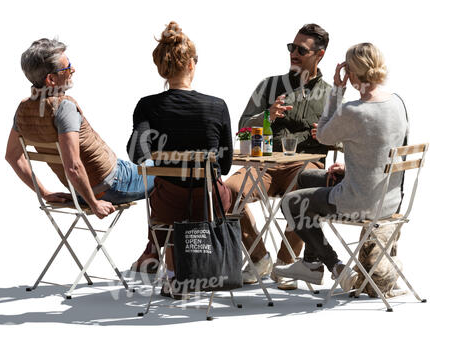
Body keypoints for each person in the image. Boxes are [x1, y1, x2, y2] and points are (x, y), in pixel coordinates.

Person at [273, 42, 408, 292]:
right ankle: (311, 263)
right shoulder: (397, 104)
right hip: (389, 199)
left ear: (352, 74)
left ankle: (335, 266)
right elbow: (388, 151)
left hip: (359, 202)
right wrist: (350, 171)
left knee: (290, 202)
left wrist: (336, 89)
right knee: (307, 178)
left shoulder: (353, 111)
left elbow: (323, 135)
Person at [126, 22, 233, 298]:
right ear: (191, 65)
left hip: (166, 208)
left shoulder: (147, 106)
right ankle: (230, 265)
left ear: (163, 68)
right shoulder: (217, 105)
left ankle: (173, 274)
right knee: (232, 192)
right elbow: (226, 165)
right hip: (209, 204)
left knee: (169, 202)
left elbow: (137, 154)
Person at [224, 24, 334, 290]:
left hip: (307, 166)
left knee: (303, 191)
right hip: (266, 166)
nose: (293, 54)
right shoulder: (270, 86)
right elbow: (241, 128)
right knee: (226, 192)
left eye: (301, 50)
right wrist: (267, 116)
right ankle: (259, 257)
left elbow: (349, 137)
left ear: (319, 55)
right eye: (291, 47)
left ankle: (286, 262)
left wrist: (330, 136)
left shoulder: (332, 95)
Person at [5, 38, 155, 220]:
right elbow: (74, 166)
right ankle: (159, 244)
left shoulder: (23, 111)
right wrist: (94, 204)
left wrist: (44, 193)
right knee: (166, 168)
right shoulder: (64, 107)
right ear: (51, 79)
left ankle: (155, 243)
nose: (73, 70)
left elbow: (12, 156)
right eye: (67, 68)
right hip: (113, 186)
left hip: (81, 191)